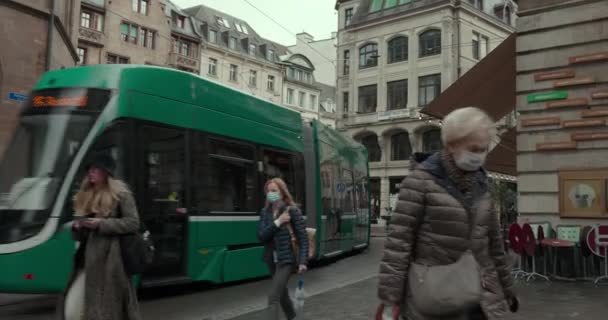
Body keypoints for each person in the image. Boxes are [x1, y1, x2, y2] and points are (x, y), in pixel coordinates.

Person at [377, 107, 518, 320]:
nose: (480, 154)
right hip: (434, 299)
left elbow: (495, 246)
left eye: (484, 148)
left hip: (481, 301)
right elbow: (398, 247)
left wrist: (507, 289)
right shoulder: (418, 183)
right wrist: (390, 302)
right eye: (474, 148)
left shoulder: (482, 184)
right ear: (452, 144)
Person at [57, 154, 142, 320]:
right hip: (87, 259)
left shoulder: (122, 194)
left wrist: (101, 224)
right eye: (89, 169)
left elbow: (133, 223)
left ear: (106, 172)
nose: (91, 172)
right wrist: (78, 227)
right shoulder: (85, 194)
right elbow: (81, 236)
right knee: (73, 306)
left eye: (95, 169)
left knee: (108, 308)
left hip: (111, 259)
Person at [257, 178, 309, 320]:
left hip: (286, 259)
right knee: (282, 295)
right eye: (268, 191)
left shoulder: (292, 211)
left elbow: (303, 238)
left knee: (273, 296)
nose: (270, 193)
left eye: (274, 191)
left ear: (282, 192)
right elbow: (261, 236)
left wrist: (303, 261)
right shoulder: (265, 212)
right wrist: (278, 222)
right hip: (271, 259)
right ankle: (293, 317)